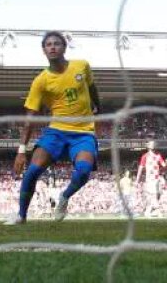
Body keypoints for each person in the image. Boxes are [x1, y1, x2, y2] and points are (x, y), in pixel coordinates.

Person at [7, 31, 101, 225]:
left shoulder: (81, 66)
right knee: (32, 171)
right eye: (48, 44)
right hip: (56, 131)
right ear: (44, 50)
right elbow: (29, 119)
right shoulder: (41, 81)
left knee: (84, 171)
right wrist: (21, 151)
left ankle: (64, 197)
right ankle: (21, 216)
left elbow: (92, 87)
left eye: (56, 43)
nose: (52, 47)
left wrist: (97, 105)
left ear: (64, 47)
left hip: (83, 132)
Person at [135, 141, 167, 217]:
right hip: (149, 179)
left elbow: (163, 165)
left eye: (154, 144)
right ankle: (156, 210)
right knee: (152, 194)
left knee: (156, 194)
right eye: (151, 144)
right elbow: (140, 168)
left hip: (156, 178)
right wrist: (137, 180)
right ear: (148, 146)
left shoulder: (158, 156)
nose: (153, 145)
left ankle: (149, 210)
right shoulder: (145, 156)